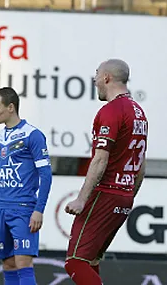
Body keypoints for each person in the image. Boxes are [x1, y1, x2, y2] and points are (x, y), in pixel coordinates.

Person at [63, 59, 148, 284]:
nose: (94, 80)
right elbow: (141, 164)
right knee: (91, 261)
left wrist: (82, 199)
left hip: (105, 193)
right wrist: (129, 194)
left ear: (106, 78)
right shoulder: (139, 112)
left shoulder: (111, 111)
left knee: (75, 261)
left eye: (97, 74)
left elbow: (100, 158)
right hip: (124, 195)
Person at [0, 87, 53, 285]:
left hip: (23, 209)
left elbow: (46, 175)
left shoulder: (33, 135)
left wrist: (39, 210)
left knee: (23, 262)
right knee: (8, 264)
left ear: (11, 107)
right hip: (0, 210)